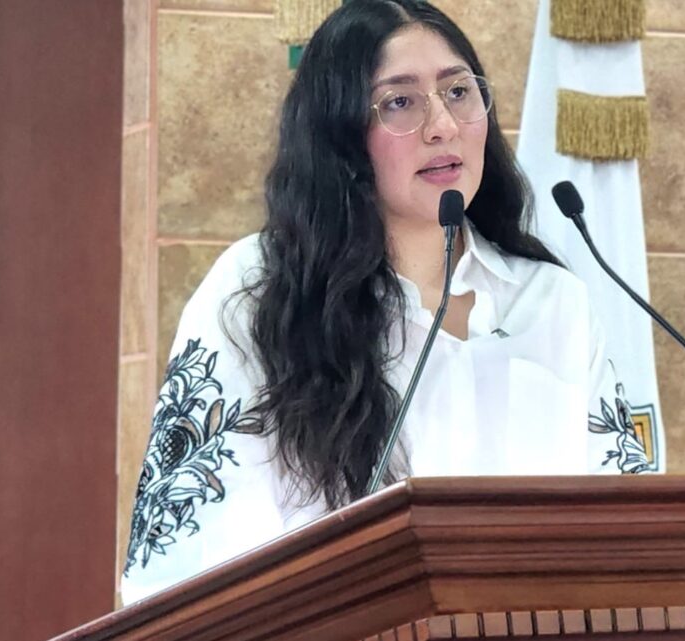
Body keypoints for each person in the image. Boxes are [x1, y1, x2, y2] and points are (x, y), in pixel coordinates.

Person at [120, 0, 650, 605]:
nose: (442, 125)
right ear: (341, 136)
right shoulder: (258, 290)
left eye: (458, 92)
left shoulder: (553, 302)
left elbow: (625, 533)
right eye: (400, 102)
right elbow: (176, 561)